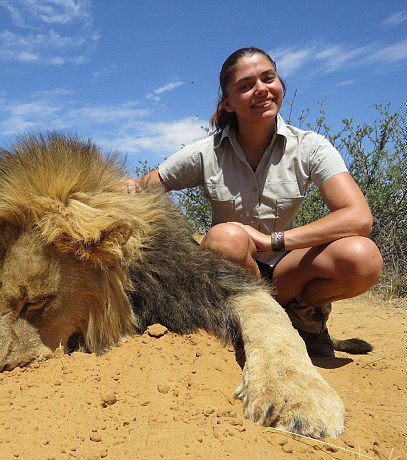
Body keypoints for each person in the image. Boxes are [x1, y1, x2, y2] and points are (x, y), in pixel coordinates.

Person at [129, 47, 383, 357]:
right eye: (246, 85)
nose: (261, 90)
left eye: (268, 78)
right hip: (233, 269)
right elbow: (143, 188)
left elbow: (358, 217)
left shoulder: (310, 146)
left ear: (280, 85)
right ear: (228, 103)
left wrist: (271, 240)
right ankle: (254, 320)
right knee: (226, 238)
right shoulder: (205, 151)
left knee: (362, 257)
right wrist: (116, 187)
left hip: (287, 269)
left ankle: (305, 315)